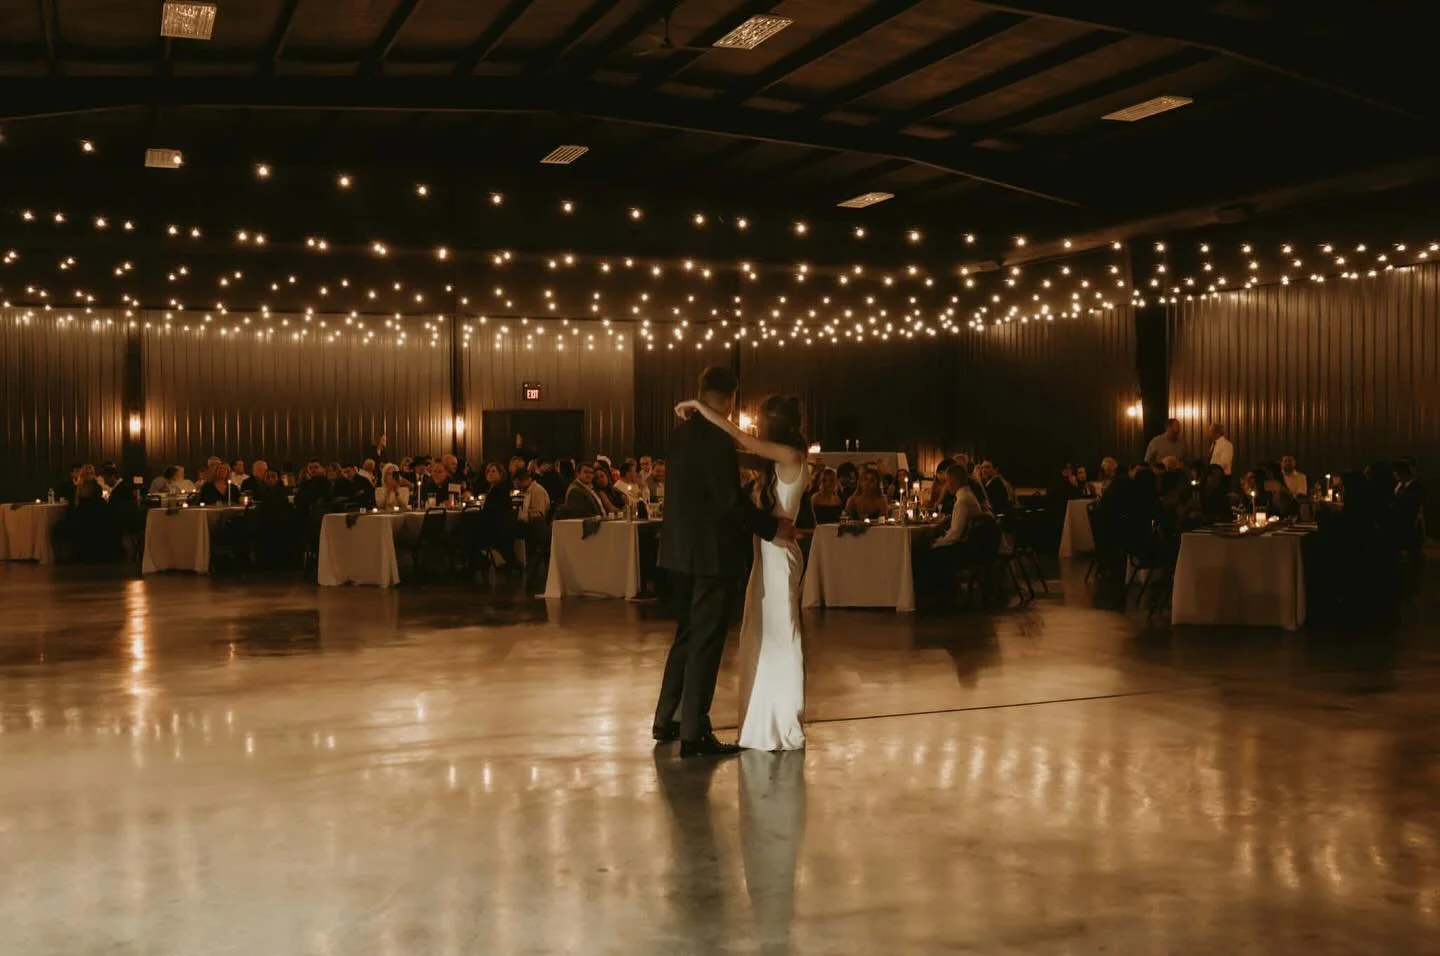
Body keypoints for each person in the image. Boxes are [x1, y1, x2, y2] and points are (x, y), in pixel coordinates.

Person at [654, 367, 795, 758]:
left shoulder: (680, 435)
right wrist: (772, 527)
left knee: (686, 635)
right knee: (705, 642)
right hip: (710, 555)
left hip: (678, 552)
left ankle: (666, 719)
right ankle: (693, 732)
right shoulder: (717, 440)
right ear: (731, 397)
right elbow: (728, 504)